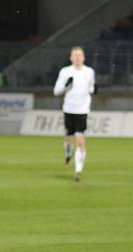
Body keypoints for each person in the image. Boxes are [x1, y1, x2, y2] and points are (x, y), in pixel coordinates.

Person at [53, 46, 96, 181]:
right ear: (71, 58)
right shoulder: (65, 72)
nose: (77, 58)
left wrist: (92, 90)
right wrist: (66, 87)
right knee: (69, 140)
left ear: (83, 57)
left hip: (82, 110)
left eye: (80, 55)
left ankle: (78, 171)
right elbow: (56, 91)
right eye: (75, 55)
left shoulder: (89, 72)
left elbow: (91, 88)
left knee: (80, 140)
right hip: (68, 109)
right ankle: (68, 154)